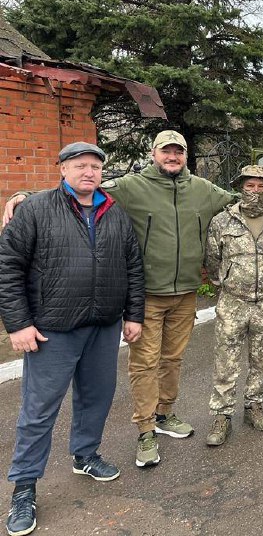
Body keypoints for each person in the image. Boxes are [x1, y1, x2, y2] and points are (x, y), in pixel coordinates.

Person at [2, 129, 263, 468]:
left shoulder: (202, 189)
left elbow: (241, 198)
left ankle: (165, 414)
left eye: (178, 151)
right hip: (148, 294)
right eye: (166, 151)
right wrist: (25, 195)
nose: (172, 157)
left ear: (185, 156)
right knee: (145, 363)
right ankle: (145, 429)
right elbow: (85, 188)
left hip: (185, 293)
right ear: (154, 154)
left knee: (172, 360)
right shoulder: (131, 186)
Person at [0, 142, 144, 536]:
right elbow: (8, 267)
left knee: (97, 397)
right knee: (39, 410)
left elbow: (133, 266)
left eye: (95, 166)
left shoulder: (115, 213)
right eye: (80, 165)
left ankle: (85, 455)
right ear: (62, 169)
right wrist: (18, 324)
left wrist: (133, 314)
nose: (89, 172)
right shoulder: (35, 209)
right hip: (53, 329)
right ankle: (24, 487)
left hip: (103, 326)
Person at [203, 166, 263, 446]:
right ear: (240, 187)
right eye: (250, 185)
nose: (255, 191)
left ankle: (254, 406)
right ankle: (222, 415)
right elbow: (212, 259)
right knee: (225, 361)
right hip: (233, 303)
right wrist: (226, 282)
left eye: (261, 186)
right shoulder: (222, 221)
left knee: (262, 359)